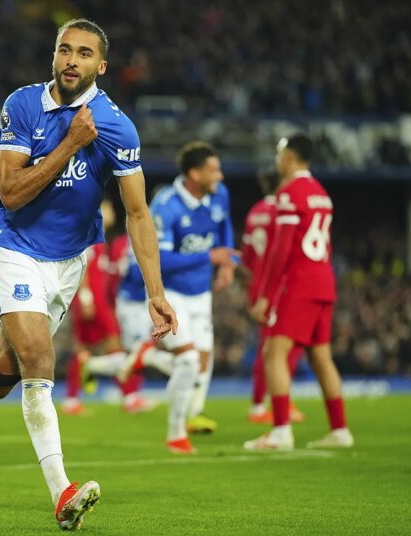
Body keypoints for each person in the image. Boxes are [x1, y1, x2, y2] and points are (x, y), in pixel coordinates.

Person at [0, 19, 177, 531]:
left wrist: (155, 292)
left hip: (70, 262)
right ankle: (63, 492)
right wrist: (72, 143)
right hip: (17, 248)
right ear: (54, 56)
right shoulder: (23, 105)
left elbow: (138, 214)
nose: (72, 60)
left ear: (101, 66)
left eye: (84, 53)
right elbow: (9, 192)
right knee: (39, 358)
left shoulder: (118, 126)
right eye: (64, 50)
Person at [121, 142, 239, 453]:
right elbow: (161, 259)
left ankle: (186, 411)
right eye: (213, 169)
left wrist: (227, 262)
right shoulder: (166, 206)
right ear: (194, 173)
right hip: (170, 292)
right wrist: (209, 257)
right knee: (187, 361)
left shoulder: (219, 195)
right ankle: (176, 434)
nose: (220, 175)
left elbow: (225, 224)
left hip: (202, 294)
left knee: (202, 363)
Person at [246, 133, 354, 450]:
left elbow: (280, 250)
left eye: (280, 154)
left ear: (289, 157)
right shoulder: (322, 193)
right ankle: (340, 430)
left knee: (273, 353)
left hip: (300, 282)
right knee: (322, 357)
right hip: (324, 281)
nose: (277, 160)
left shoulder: (289, 192)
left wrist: (265, 295)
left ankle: (280, 431)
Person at [62, 198, 153, 416]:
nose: (112, 212)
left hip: (92, 300)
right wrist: (85, 297)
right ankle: (130, 397)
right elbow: (80, 265)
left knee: (83, 350)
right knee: (115, 348)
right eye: (108, 207)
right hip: (93, 301)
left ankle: (72, 400)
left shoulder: (97, 237)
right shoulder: (89, 233)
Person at [241, 170, 304, 424]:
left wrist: (253, 288)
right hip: (277, 284)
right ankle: (264, 405)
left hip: (257, 283)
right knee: (280, 346)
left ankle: (268, 401)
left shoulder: (255, 211)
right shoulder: (283, 209)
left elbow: (246, 258)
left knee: (269, 345)